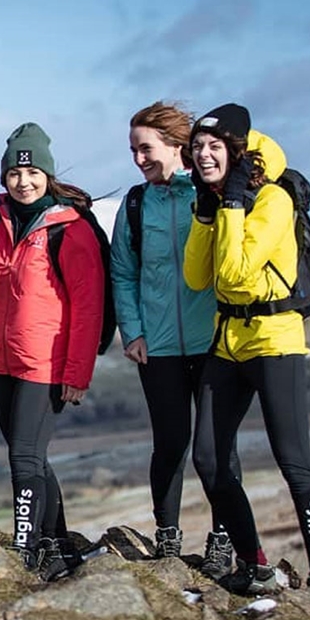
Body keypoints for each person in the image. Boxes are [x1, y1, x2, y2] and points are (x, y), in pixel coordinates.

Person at [183, 103, 310, 595]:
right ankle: (255, 565)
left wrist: (229, 205)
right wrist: (208, 217)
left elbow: (235, 273)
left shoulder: (272, 199)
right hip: (228, 342)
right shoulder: (214, 200)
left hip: (275, 341)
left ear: (235, 150)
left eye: (214, 147)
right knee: (208, 458)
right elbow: (196, 277)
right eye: (197, 147)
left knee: (293, 461)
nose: (203, 154)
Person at [0, 123, 105, 581]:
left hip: (45, 364)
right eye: (15, 174)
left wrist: (77, 373)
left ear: (47, 173)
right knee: (33, 459)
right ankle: (57, 546)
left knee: (22, 458)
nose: (24, 182)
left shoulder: (69, 229)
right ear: (4, 177)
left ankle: (24, 555)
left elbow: (88, 308)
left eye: (33, 172)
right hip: (1, 362)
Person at [110, 102, 237, 573]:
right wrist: (133, 332)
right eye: (133, 151)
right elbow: (122, 273)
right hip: (157, 346)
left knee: (217, 447)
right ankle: (168, 540)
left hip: (212, 344)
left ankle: (224, 539)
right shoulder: (137, 203)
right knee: (170, 444)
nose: (139, 159)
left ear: (175, 145)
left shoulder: (208, 193)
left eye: (145, 148)